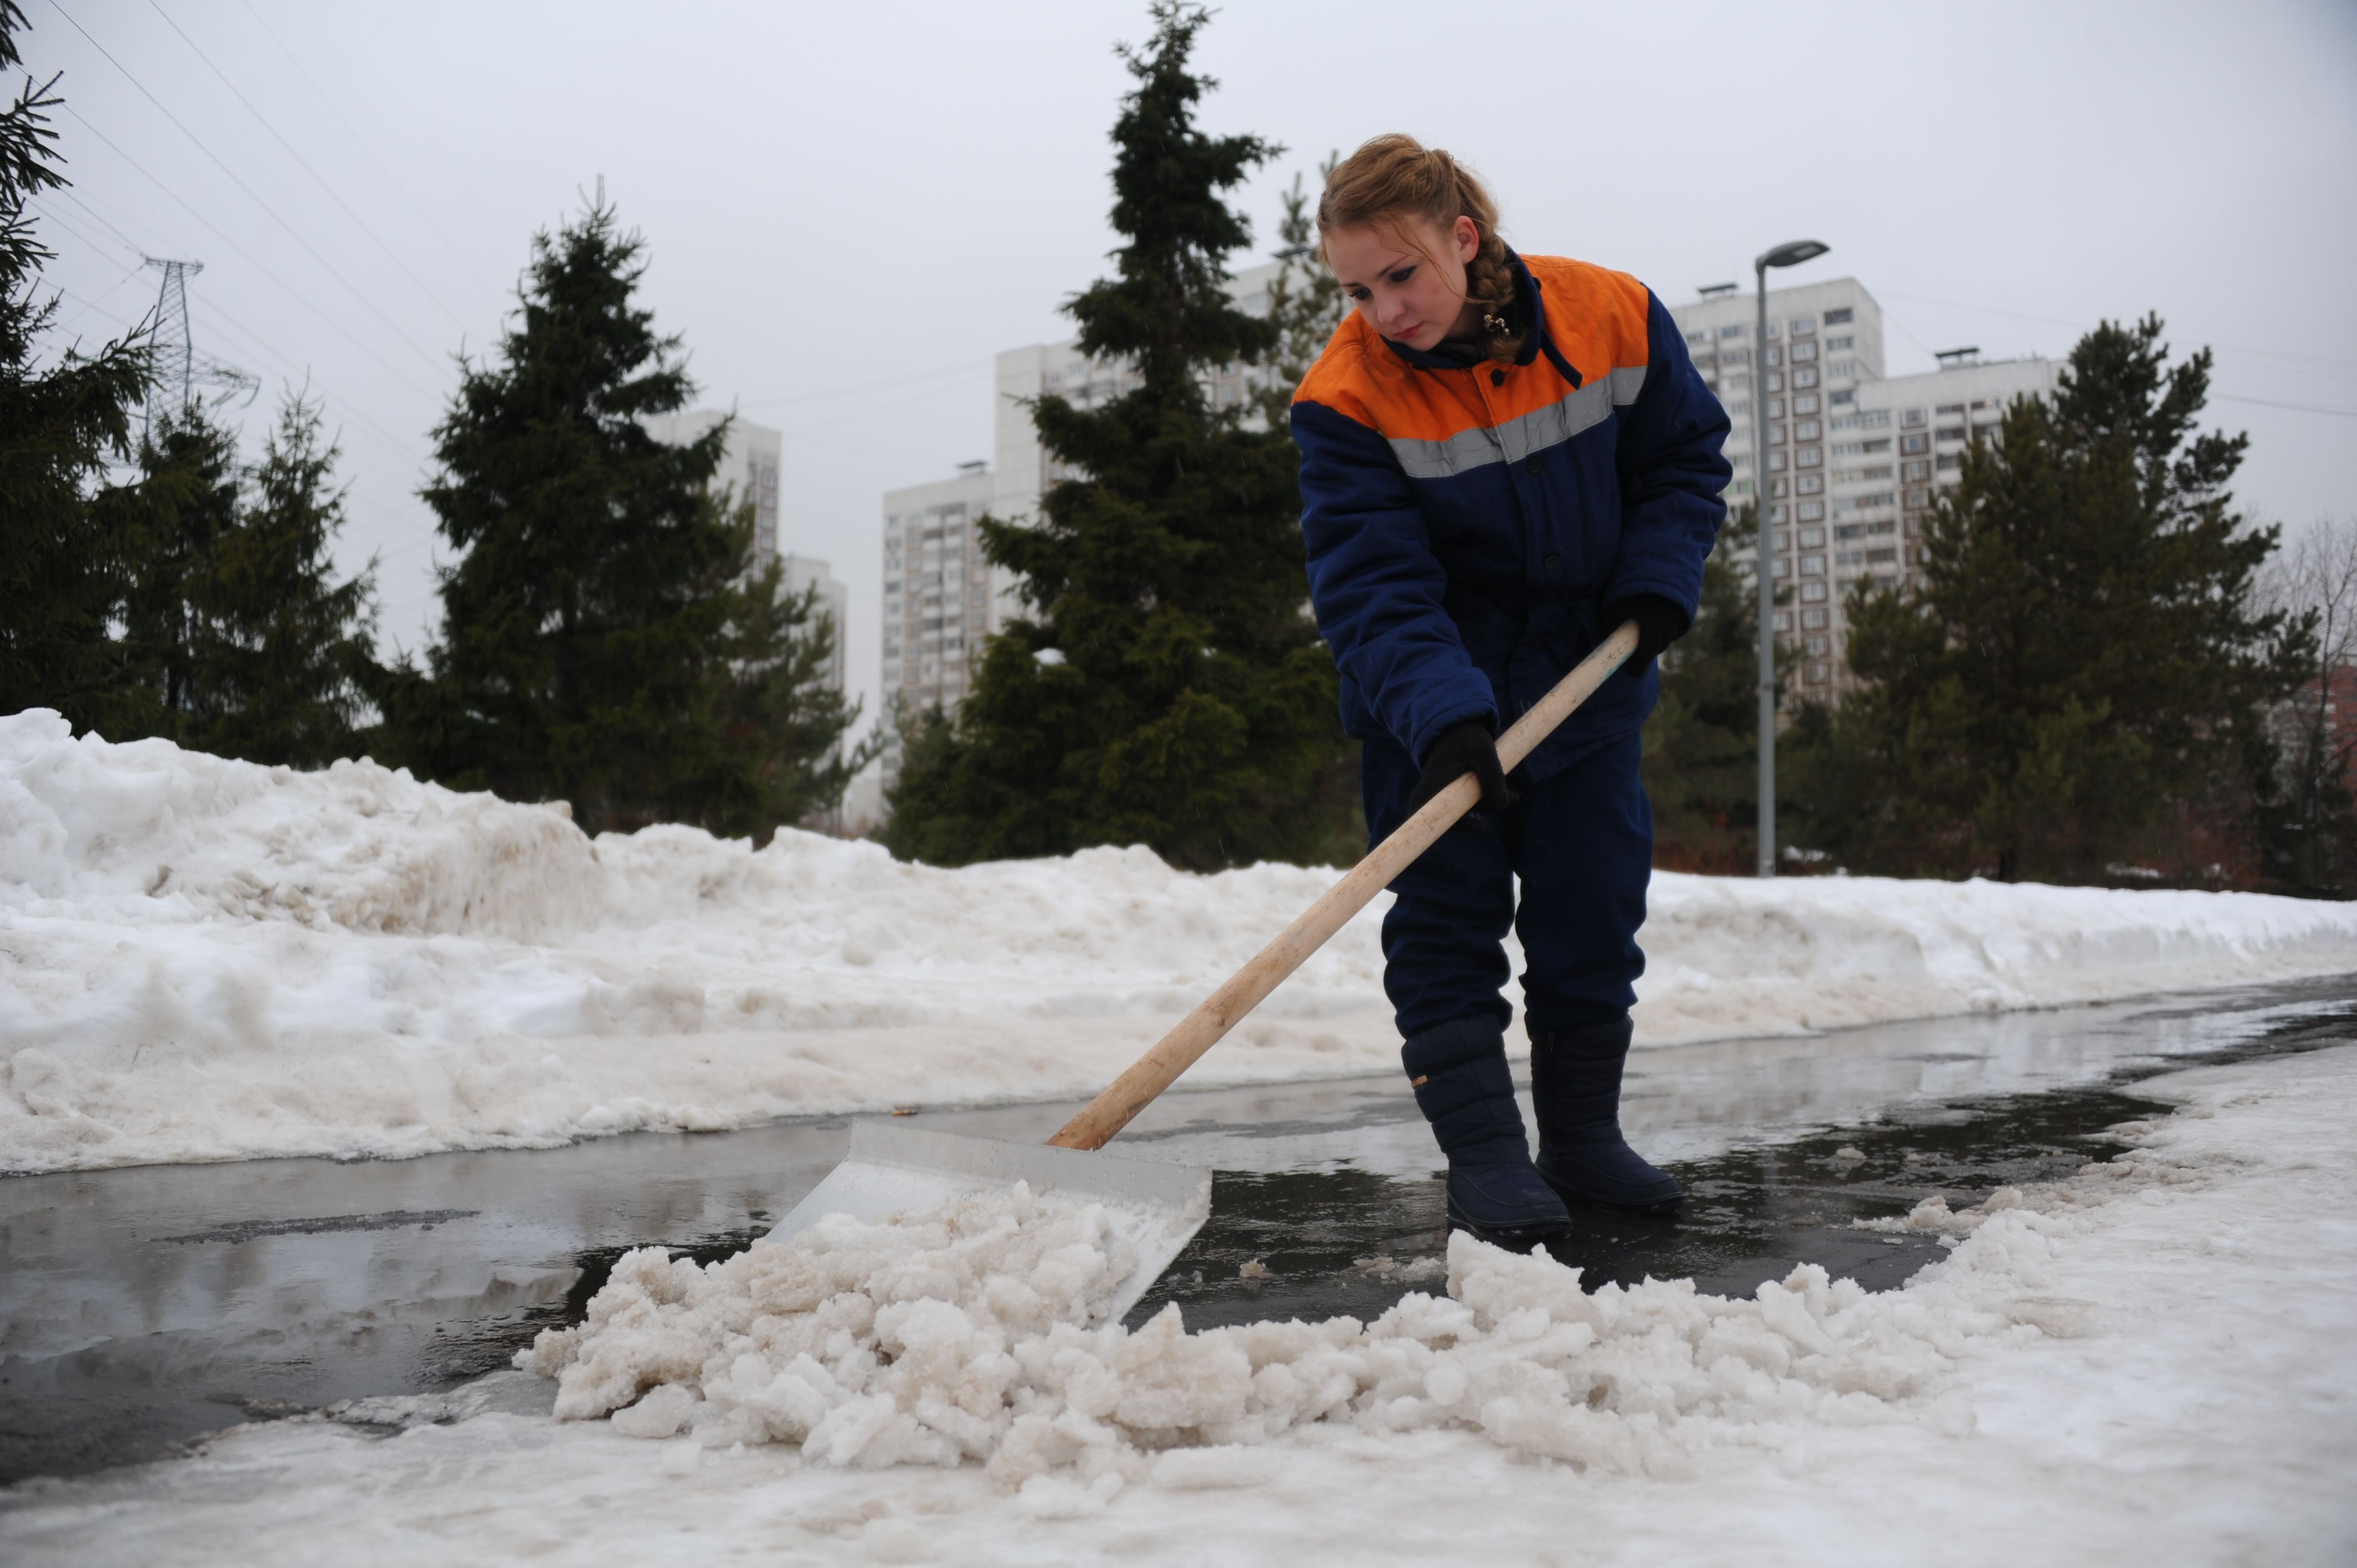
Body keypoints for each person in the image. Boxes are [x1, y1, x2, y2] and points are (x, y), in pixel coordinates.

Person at [1289, 135, 1731, 1245]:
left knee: (1592, 913)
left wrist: (1653, 586)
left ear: (1462, 237)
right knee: (1444, 926)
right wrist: (1443, 716)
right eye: (1355, 288)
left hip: (1588, 685)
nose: (1383, 310)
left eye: (1400, 276)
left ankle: (1582, 1137)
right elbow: (1373, 586)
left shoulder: (1612, 316)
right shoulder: (1344, 397)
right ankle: (1485, 1157)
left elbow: (1682, 463)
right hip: (1433, 712)